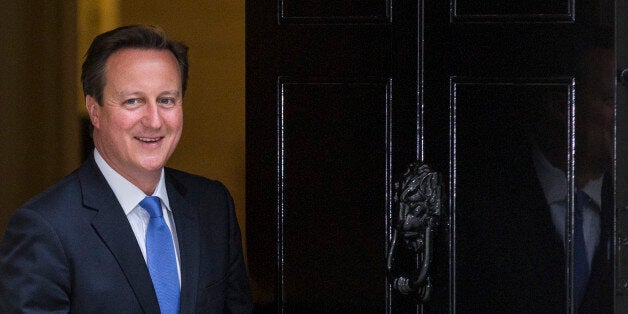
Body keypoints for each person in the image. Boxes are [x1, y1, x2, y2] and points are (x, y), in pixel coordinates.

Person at [0, 25, 253, 313]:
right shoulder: (45, 228)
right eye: (134, 101)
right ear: (94, 111)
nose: (154, 121)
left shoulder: (212, 206)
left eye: (166, 100)